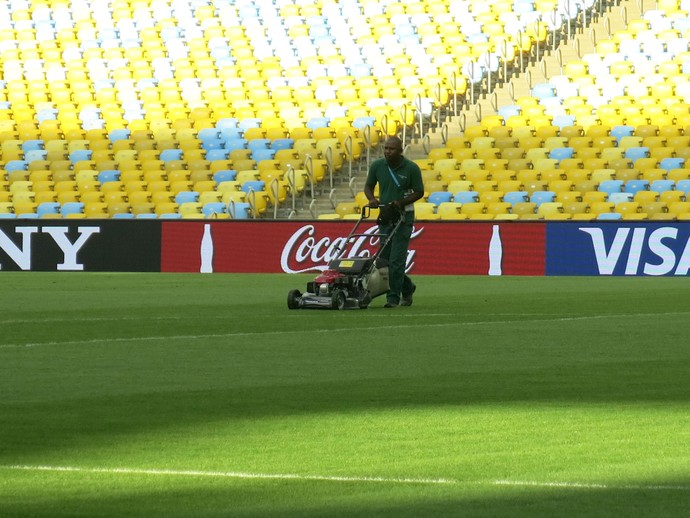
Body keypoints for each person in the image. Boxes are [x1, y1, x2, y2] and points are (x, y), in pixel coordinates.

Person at [363, 136, 424, 308]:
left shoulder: (411, 168)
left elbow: (419, 192)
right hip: (386, 217)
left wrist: (401, 202)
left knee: (397, 260)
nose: (388, 151)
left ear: (400, 151)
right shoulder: (377, 166)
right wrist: (372, 199)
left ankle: (393, 298)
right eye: (386, 148)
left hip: (403, 218)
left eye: (392, 149)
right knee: (385, 260)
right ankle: (407, 286)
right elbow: (368, 186)